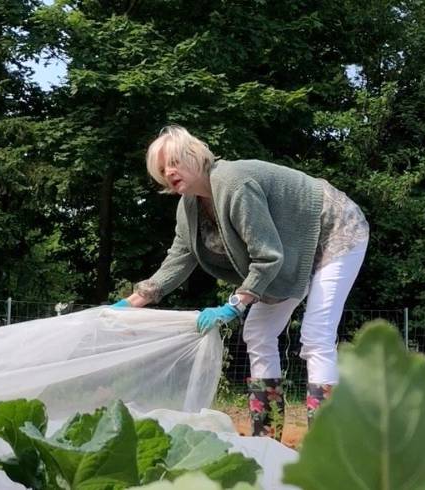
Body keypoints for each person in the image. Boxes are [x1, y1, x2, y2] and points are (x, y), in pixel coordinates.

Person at [114, 125, 369, 440]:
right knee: (258, 332)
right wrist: (134, 301)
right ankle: (266, 439)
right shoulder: (189, 206)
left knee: (316, 335)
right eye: (162, 168)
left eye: (174, 162)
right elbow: (180, 257)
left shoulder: (234, 183)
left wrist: (234, 305)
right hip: (293, 248)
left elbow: (267, 257)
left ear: (194, 156)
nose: (168, 172)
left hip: (336, 229)